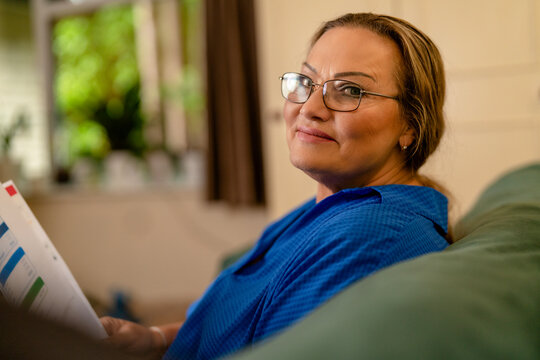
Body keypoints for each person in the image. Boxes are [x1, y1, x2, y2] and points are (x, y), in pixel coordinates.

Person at [101, 12, 450, 360]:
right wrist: (156, 339)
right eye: (307, 82)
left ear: (411, 126)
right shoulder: (337, 201)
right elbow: (241, 323)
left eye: (349, 90)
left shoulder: (369, 236)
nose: (309, 108)